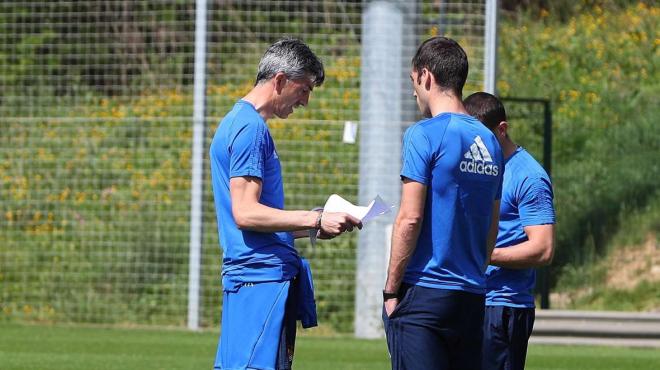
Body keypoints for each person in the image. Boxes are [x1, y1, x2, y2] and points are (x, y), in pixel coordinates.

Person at [209, 38, 362, 370]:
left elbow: (251, 222)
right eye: (304, 89)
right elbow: (246, 213)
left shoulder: (242, 123)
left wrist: (313, 223)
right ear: (279, 80)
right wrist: (313, 219)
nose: (305, 101)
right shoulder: (250, 130)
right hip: (260, 281)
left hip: (257, 278)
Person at [382, 36, 504, 370]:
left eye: (413, 83)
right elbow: (492, 226)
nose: (414, 93)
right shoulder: (491, 142)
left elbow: (409, 217)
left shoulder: (424, 134)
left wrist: (391, 291)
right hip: (470, 296)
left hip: (425, 292)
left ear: (425, 76)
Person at [464, 92, 555, 370]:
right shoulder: (475, 166)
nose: (474, 143)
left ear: (501, 130)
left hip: (503, 305)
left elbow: (543, 249)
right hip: (468, 296)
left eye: (481, 135)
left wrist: (485, 255)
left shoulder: (529, 176)